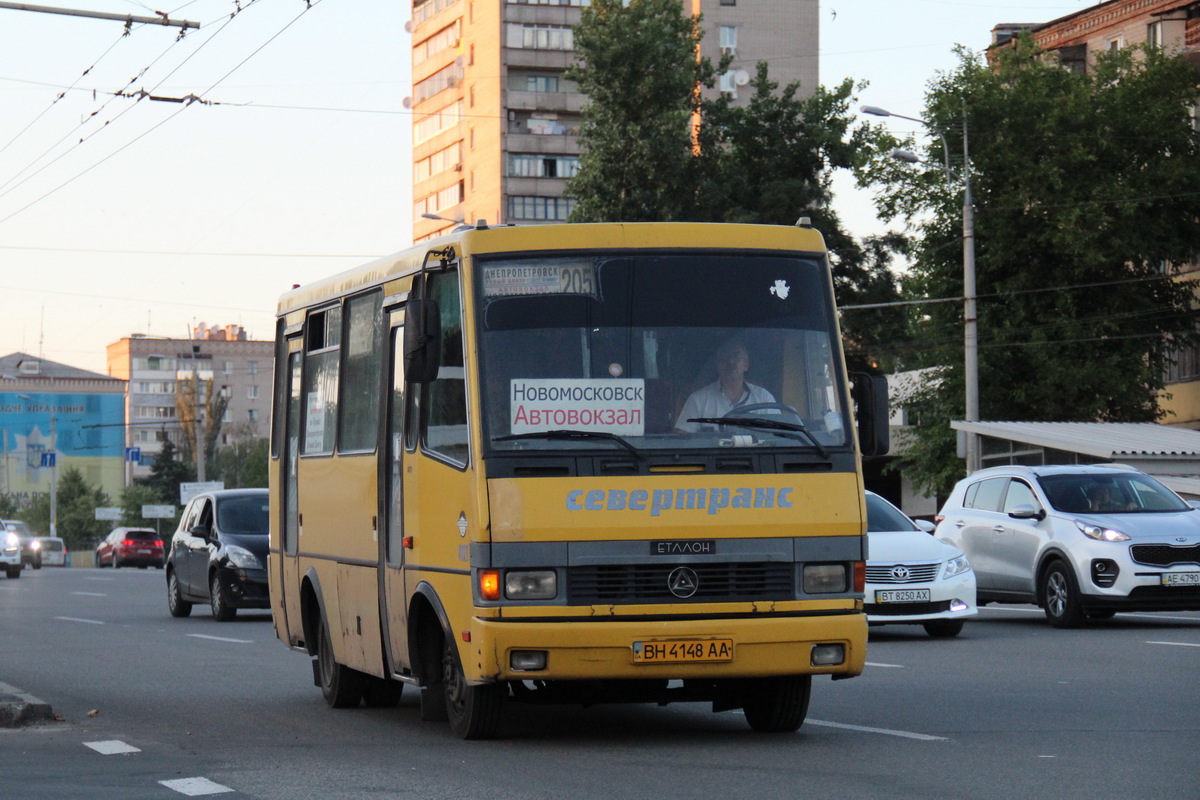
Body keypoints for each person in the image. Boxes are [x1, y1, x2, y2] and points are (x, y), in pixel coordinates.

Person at [675, 341, 776, 433]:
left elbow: (780, 436)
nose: (731, 362)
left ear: (746, 365)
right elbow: (683, 438)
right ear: (718, 365)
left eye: (736, 357)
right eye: (725, 357)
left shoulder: (765, 399)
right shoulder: (698, 400)